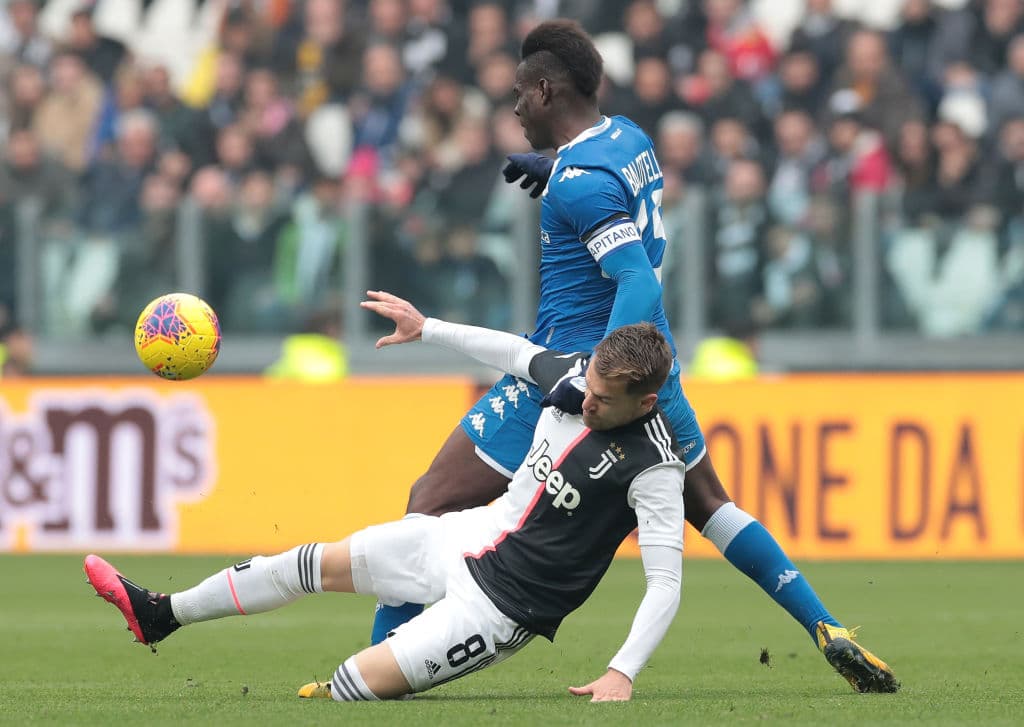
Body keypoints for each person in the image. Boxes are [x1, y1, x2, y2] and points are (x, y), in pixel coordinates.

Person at [371, 19, 898, 694]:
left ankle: (380, 663)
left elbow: (638, 279)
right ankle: (825, 625)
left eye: (518, 95)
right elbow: (607, 198)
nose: (511, 109)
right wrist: (556, 172)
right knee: (710, 504)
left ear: (544, 89)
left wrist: (595, 379)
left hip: (571, 374)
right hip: (657, 369)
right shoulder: (628, 140)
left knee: (430, 499)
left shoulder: (579, 182)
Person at [86, 297, 686, 703]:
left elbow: (665, 581)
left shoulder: (654, 467)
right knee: (305, 563)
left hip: (503, 607)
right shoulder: (579, 380)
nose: (587, 403)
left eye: (604, 403)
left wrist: (621, 671)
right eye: (590, 390)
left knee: (353, 684)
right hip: (463, 536)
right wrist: (428, 328)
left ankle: (389, 661)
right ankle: (160, 615)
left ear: (646, 404)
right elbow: (512, 351)